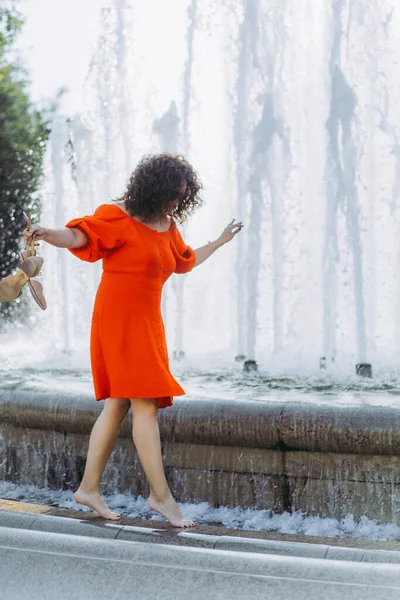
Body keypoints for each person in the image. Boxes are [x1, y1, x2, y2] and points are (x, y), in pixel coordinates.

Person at [23, 153, 243, 527]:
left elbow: (186, 260)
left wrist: (220, 241)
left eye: (182, 196)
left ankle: (89, 488)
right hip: (119, 320)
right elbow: (79, 235)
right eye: (172, 194)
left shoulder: (168, 226)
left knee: (118, 405)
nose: (176, 201)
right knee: (144, 405)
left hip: (147, 324)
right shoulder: (117, 216)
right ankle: (162, 497)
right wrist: (47, 233)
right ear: (153, 187)